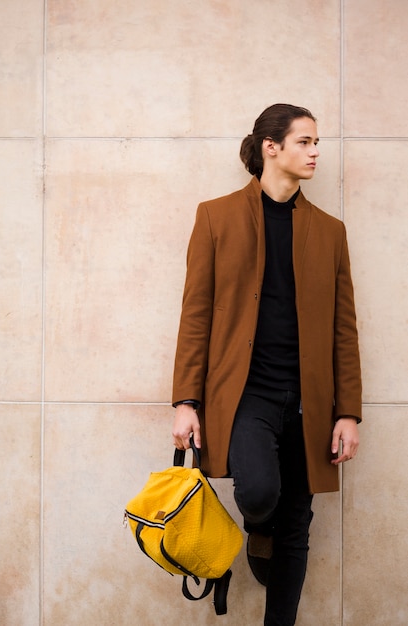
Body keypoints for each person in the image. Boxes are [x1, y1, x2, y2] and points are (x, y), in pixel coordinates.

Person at [171, 103, 362, 625]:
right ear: (270, 147)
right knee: (258, 492)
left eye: (317, 142)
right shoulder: (217, 216)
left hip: (310, 400)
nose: (316, 151)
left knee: (298, 522)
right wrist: (186, 400)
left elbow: (344, 329)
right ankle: (259, 526)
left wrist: (347, 411)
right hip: (245, 395)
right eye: (305, 141)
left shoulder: (330, 231)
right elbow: (195, 315)